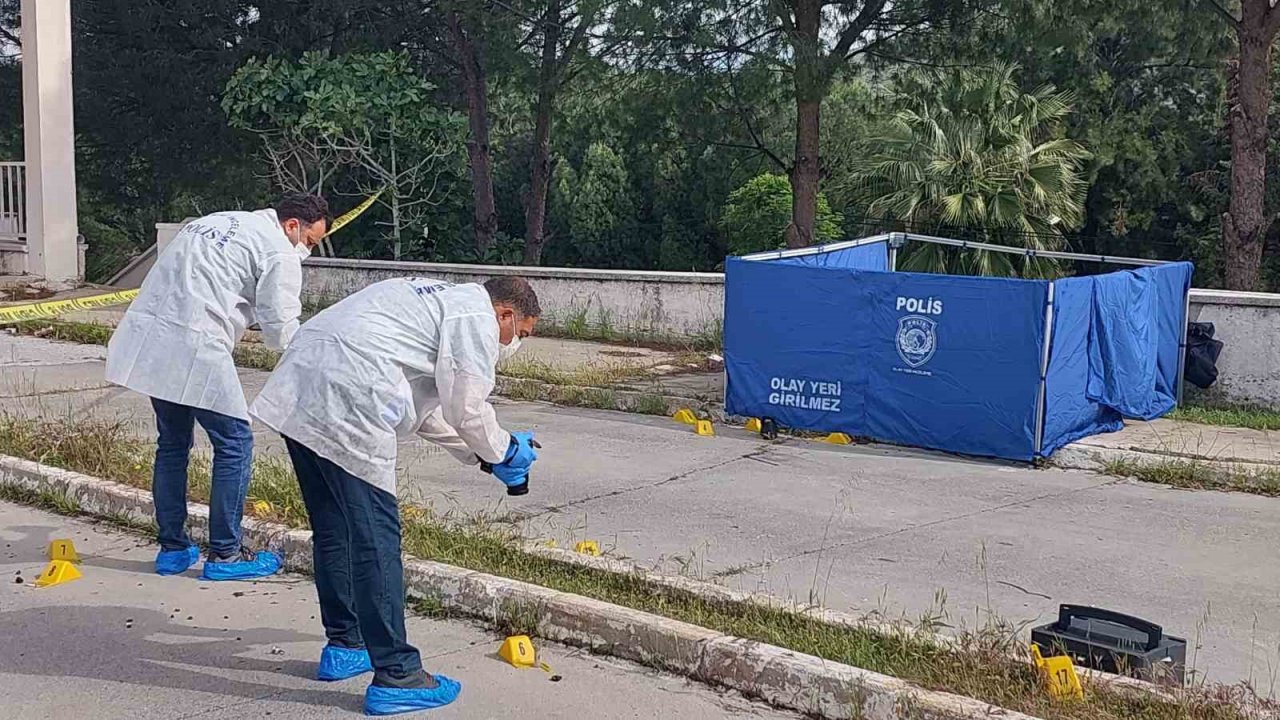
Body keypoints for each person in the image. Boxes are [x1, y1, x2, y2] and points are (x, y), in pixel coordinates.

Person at [249, 275, 540, 716]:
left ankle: (346, 644)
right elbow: (468, 408)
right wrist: (505, 449)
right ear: (505, 313)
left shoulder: (432, 299)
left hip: (304, 385)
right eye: (519, 332)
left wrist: (485, 457)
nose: (514, 342)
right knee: (376, 540)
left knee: (336, 529)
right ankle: (397, 675)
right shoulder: (475, 317)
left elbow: (425, 412)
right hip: (350, 397)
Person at [105, 193, 330, 580]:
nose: (307, 251)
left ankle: (172, 549)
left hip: (153, 338)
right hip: (198, 340)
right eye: (310, 241)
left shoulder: (216, 220)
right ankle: (225, 554)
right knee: (235, 442)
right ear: (293, 225)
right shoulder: (278, 249)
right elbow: (281, 330)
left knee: (173, 443)